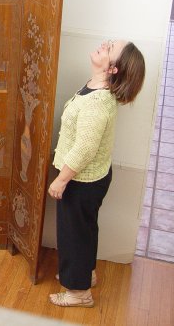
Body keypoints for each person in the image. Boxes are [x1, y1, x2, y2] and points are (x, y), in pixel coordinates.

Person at [48, 39, 146, 308]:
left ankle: (78, 293)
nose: (104, 44)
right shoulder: (96, 87)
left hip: (80, 180)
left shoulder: (98, 102)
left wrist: (61, 180)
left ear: (113, 69)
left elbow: (85, 148)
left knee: (73, 235)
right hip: (91, 177)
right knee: (84, 230)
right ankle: (85, 274)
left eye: (110, 48)